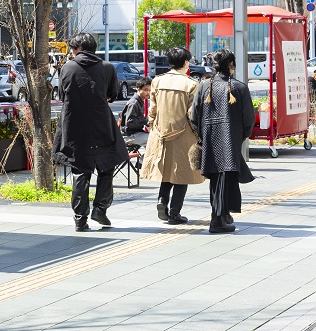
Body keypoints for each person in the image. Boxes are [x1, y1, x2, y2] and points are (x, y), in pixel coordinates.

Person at [52, 32, 126, 231]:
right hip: (101, 122)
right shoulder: (107, 67)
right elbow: (112, 95)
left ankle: (80, 219)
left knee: (80, 170)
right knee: (107, 165)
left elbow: (62, 95)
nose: (71, 52)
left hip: (74, 123)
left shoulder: (67, 67)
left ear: (79, 49)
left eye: (72, 49)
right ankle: (100, 209)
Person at [190, 49, 255, 234]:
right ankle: (217, 220)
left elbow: (194, 116)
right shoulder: (239, 87)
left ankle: (222, 215)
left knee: (216, 178)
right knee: (226, 177)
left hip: (209, 137)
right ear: (231, 65)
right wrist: (241, 136)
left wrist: (202, 134)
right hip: (231, 138)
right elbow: (248, 119)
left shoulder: (204, 86)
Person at [140, 46, 203, 225]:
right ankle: (175, 213)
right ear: (186, 62)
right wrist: (199, 134)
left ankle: (162, 200)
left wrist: (152, 124)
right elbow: (192, 114)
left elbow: (152, 110)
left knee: (166, 171)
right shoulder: (191, 84)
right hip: (184, 133)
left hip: (161, 133)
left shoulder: (157, 81)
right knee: (182, 173)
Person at [121, 76, 152, 150]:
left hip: (135, 133)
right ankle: (147, 157)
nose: (148, 92)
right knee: (153, 139)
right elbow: (130, 122)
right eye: (146, 90)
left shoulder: (139, 101)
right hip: (129, 135)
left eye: (150, 90)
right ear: (138, 89)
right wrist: (146, 121)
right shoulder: (134, 103)